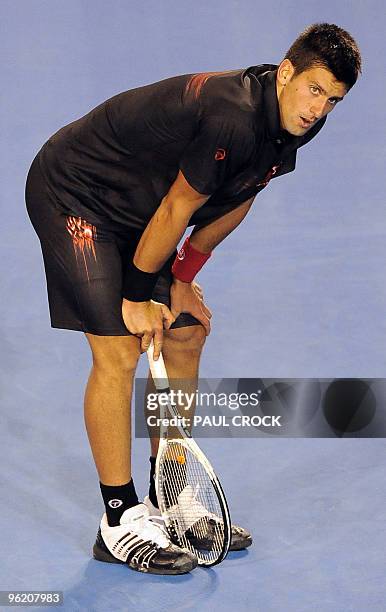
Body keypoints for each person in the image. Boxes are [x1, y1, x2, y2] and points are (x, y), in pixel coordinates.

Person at [25, 22, 361, 574]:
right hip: (76, 194)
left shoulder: (296, 123)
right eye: (314, 90)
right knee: (120, 348)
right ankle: (119, 520)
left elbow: (242, 193)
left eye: (333, 100)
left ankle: (170, 493)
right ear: (287, 73)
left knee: (184, 328)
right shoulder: (232, 115)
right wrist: (136, 297)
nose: (318, 109)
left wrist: (181, 277)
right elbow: (179, 208)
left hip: (141, 206)